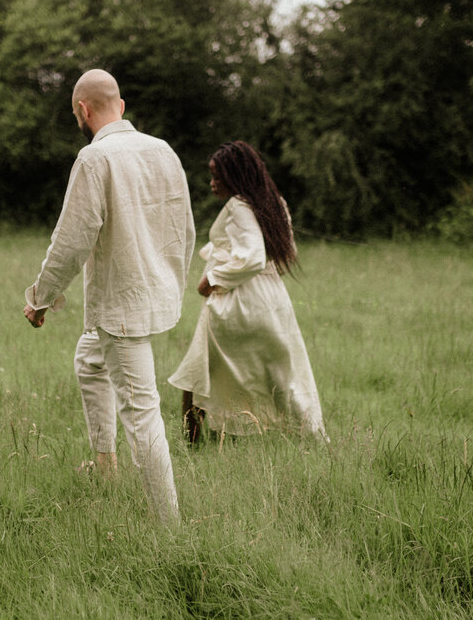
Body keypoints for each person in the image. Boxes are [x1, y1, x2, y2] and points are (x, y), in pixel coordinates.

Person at [23, 69, 195, 525]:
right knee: (89, 359)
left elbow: (72, 240)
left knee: (143, 414)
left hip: (122, 308)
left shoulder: (94, 159)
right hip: (150, 297)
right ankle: (105, 467)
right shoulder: (164, 152)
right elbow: (185, 231)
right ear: (121, 104)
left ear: (83, 110)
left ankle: (171, 530)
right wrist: (171, 285)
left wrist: (41, 298)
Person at [169, 141, 327, 442]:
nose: (212, 183)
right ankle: (312, 439)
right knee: (283, 379)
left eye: (218, 176)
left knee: (195, 377)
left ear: (236, 176)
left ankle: (192, 449)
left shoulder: (240, 206)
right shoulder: (274, 202)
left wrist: (212, 278)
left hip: (237, 302)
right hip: (272, 299)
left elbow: (252, 257)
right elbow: (284, 252)